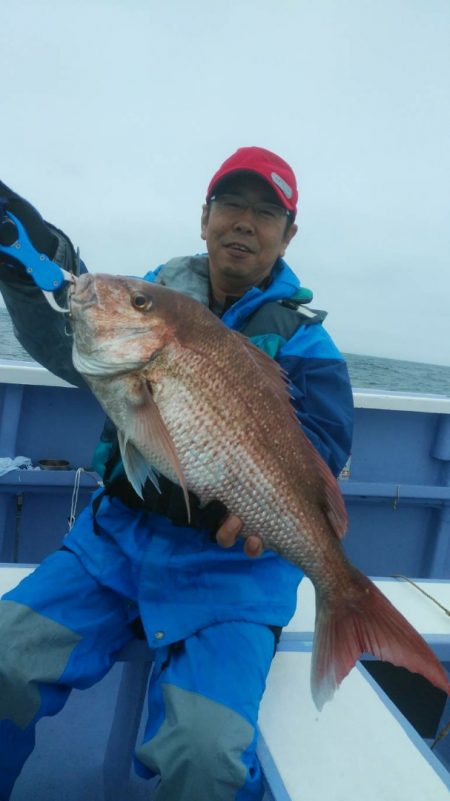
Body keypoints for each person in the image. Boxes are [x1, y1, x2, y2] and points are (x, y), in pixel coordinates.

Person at [0, 147, 353, 801]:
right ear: (205, 217)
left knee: (208, 758)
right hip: (114, 543)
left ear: (289, 233)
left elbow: (326, 446)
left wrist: (259, 503)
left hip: (235, 575)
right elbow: (73, 341)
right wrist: (26, 274)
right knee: (2, 661)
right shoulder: (152, 296)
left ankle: (346, 607)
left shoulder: (308, 345)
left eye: (265, 211)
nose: (244, 222)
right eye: (231, 204)